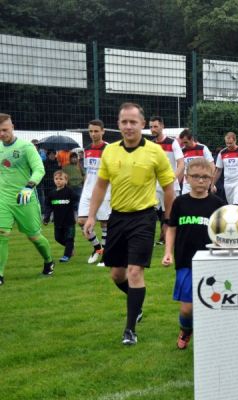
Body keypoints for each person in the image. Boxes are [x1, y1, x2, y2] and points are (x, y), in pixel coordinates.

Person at [83, 103, 175, 345]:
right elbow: (101, 185)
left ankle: (130, 330)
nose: (128, 126)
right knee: (117, 274)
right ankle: (137, 305)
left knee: (135, 272)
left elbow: (168, 188)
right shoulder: (110, 151)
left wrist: (168, 220)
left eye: (133, 122)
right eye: (124, 122)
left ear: (142, 125)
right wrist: (91, 215)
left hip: (144, 218)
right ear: (118, 125)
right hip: (117, 218)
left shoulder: (155, 152)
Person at [162, 158, 226, 349]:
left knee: (214, 301)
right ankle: (185, 329)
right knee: (187, 308)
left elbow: (225, 231)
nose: (200, 180)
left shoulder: (218, 204)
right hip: (185, 261)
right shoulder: (180, 203)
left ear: (211, 179)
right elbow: (171, 228)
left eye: (205, 177)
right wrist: (168, 252)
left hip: (213, 262)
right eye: (196, 176)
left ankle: (212, 336)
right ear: (187, 178)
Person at [0, 113, 55, 285]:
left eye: (4, 130)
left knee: (34, 236)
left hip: (25, 198)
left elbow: (39, 169)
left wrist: (29, 187)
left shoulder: (26, 147)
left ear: (12, 127)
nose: (2, 134)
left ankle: (49, 261)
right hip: (4, 198)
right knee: (2, 233)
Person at [77, 120, 111, 266]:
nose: (93, 134)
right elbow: (87, 172)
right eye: (91, 131)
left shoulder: (109, 148)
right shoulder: (87, 149)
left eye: (96, 131)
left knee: (105, 223)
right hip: (88, 190)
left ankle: (105, 256)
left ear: (103, 131)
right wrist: (85, 188)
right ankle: (98, 248)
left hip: (105, 190)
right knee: (81, 221)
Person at [150, 116, 184, 245]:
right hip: (154, 185)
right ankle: (150, 239)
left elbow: (181, 163)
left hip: (169, 185)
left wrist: (172, 178)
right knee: (150, 211)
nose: (153, 129)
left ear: (162, 126)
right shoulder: (151, 144)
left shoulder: (172, 142)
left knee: (169, 214)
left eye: (155, 126)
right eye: (151, 127)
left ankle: (170, 239)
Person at [43, 170, 76, 262]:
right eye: (56, 179)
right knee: (58, 238)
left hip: (69, 221)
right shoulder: (51, 194)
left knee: (69, 239)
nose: (58, 181)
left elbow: (76, 201)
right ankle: (70, 248)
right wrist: (46, 218)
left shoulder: (69, 191)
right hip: (58, 221)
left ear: (66, 180)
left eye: (61, 179)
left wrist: (78, 213)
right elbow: (48, 207)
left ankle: (66, 255)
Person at [179, 129, 214, 195]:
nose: (184, 144)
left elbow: (211, 165)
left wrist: (212, 183)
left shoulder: (202, 148)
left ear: (192, 139)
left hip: (201, 181)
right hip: (187, 184)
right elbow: (181, 168)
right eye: (183, 143)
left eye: (186, 142)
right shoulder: (182, 151)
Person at [40, 149, 61, 215]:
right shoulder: (44, 163)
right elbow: (42, 173)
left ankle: (56, 214)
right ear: (48, 155)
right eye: (50, 154)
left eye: (53, 154)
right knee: (47, 200)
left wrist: (60, 166)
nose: (52, 156)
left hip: (56, 184)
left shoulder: (57, 163)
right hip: (47, 184)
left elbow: (60, 173)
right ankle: (47, 214)